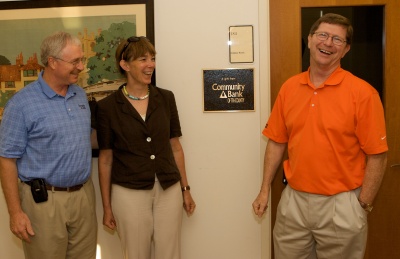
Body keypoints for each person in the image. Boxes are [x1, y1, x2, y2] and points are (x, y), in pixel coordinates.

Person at [252, 13, 388, 259]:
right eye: (322, 35)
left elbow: (377, 156)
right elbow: (276, 141)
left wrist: (362, 206)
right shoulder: (289, 88)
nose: (328, 43)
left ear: (345, 50)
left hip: (341, 204)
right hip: (293, 201)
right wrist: (264, 190)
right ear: (310, 39)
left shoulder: (363, 94)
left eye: (337, 39)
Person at [96, 36, 196, 259]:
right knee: (135, 254)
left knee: (170, 253)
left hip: (169, 188)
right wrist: (107, 207)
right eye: (143, 59)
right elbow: (105, 160)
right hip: (128, 192)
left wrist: (185, 190)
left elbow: (175, 147)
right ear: (125, 65)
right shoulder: (107, 108)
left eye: (152, 58)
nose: (150, 64)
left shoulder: (166, 98)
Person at [0, 31, 97, 259]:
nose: (81, 66)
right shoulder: (21, 105)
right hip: (43, 202)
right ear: (52, 62)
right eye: (75, 61)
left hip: (83, 196)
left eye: (81, 60)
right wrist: (15, 212)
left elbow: (85, 138)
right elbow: (6, 160)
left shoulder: (80, 95)